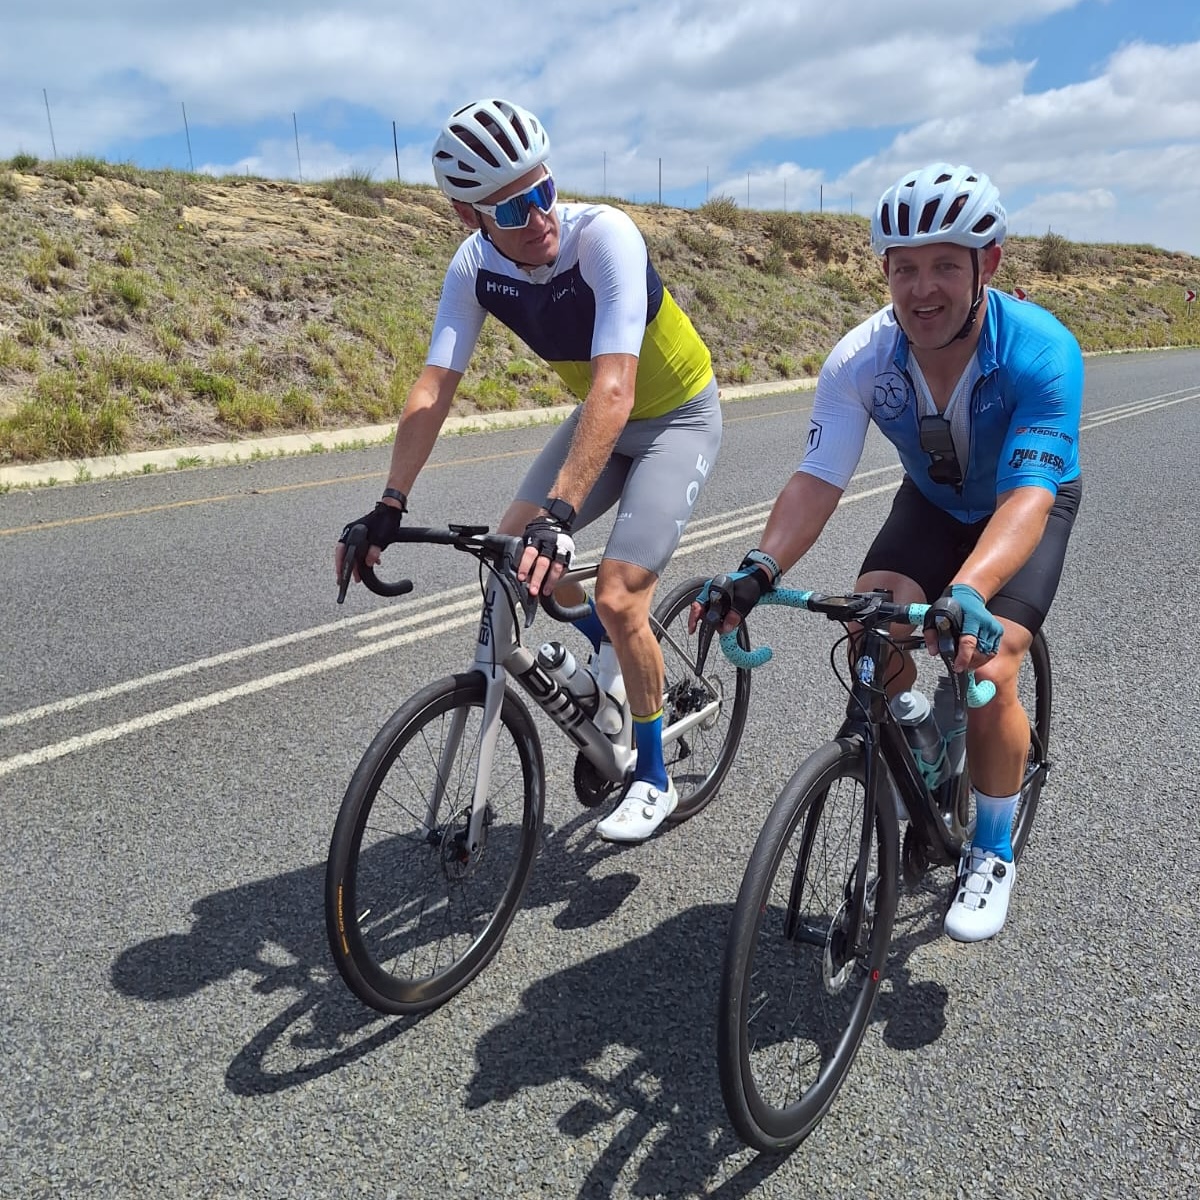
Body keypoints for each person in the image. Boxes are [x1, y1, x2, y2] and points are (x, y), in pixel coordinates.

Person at [693, 162, 1083, 941]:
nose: (922, 288)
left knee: (991, 664)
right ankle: (919, 734)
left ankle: (992, 850)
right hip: (934, 503)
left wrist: (969, 589)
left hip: (1023, 505)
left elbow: (1027, 499)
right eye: (905, 268)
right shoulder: (863, 359)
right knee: (869, 622)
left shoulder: (1042, 350)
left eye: (945, 266)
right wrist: (760, 567)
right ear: (884, 272)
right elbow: (817, 478)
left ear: (988, 264)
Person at [335, 98, 722, 843]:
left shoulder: (604, 237)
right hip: (601, 421)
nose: (540, 215)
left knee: (619, 594)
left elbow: (615, 386)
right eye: (513, 208)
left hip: (675, 418)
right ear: (468, 216)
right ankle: (608, 647)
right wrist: (389, 503)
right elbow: (433, 390)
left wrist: (562, 516)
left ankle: (651, 773)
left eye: (543, 189)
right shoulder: (474, 269)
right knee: (510, 558)